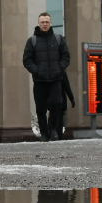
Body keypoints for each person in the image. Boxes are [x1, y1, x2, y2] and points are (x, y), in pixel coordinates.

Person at [22, 11, 70, 141]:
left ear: (51, 23)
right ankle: (44, 134)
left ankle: (53, 129)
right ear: (38, 23)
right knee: (41, 109)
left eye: (47, 22)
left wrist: (60, 68)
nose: (45, 24)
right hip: (39, 81)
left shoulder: (58, 39)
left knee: (56, 104)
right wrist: (36, 71)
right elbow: (27, 60)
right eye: (42, 22)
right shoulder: (32, 41)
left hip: (55, 79)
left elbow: (66, 57)